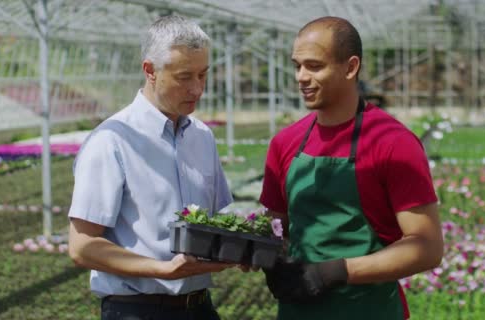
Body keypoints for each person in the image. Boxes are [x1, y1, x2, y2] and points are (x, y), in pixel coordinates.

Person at [260, 16, 443, 320]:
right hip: (298, 310)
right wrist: (265, 255)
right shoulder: (285, 143)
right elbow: (276, 228)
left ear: (350, 67)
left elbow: (427, 246)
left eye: (314, 66)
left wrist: (336, 271)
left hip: (368, 308)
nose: (301, 77)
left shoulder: (393, 143)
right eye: (297, 65)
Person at [67, 15, 233, 320]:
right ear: (150, 71)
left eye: (203, 75)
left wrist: (243, 246)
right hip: (137, 310)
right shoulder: (112, 140)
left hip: (200, 307)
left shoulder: (202, 136)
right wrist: (165, 270)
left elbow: (220, 218)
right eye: (185, 77)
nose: (197, 89)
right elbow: (82, 246)